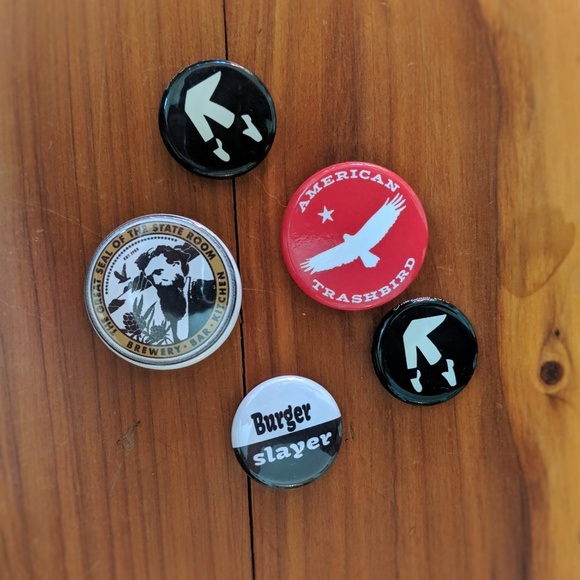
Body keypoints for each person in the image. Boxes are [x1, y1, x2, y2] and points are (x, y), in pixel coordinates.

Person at [109, 243, 216, 344]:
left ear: (177, 265)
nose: (155, 280)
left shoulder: (210, 290)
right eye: (150, 276)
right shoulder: (158, 303)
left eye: (158, 272)